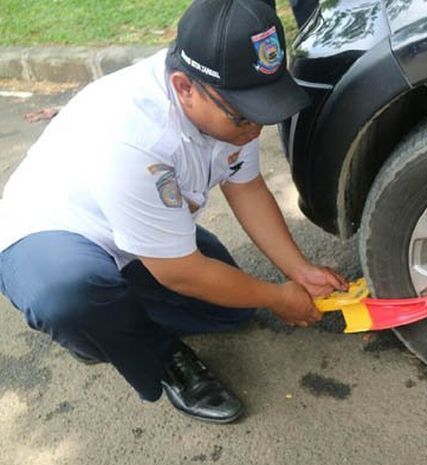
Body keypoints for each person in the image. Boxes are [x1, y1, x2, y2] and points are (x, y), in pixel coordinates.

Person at [0, 0, 347, 424]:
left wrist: (299, 270)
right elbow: (179, 273)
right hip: (50, 237)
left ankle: (111, 319)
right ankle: (152, 355)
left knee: (229, 311)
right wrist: (278, 299)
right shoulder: (133, 136)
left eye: (267, 107)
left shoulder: (231, 94)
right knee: (71, 297)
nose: (256, 128)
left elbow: (247, 185)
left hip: (137, 232)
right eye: (245, 116)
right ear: (184, 87)